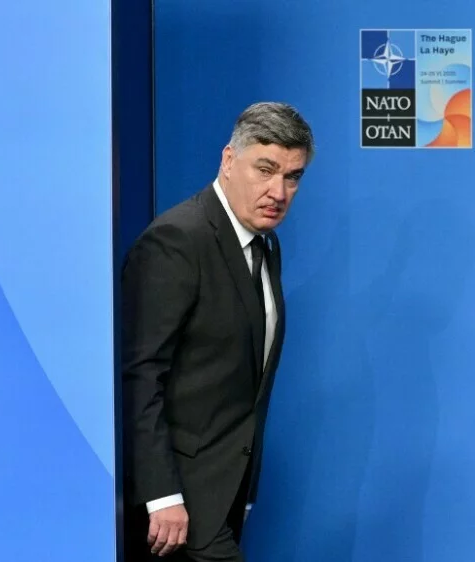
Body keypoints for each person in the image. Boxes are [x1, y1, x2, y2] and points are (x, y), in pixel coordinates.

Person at [121, 102, 313, 561]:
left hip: (223, 496)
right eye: (265, 169)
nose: (278, 191)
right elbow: (140, 375)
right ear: (229, 160)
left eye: (292, 177)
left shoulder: (265, 244)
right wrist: (161, 496)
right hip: (176, 508)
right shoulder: (177, 241)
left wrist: (243, 491)